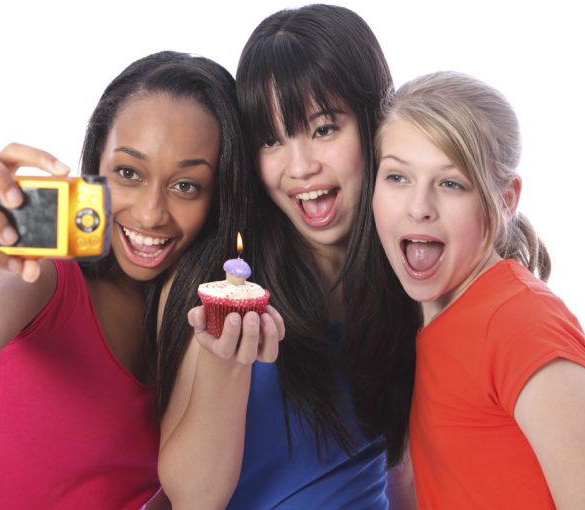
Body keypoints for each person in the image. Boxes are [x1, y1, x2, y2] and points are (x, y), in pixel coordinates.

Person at [0, 50, 268, 509]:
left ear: (218, 195)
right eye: (128, 173)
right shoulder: (45, 275)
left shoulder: (185, 310)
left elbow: (194, 498)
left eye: (186, 185)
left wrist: (228, 358)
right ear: (96, 163)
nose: (150, 213)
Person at [158, 5, 420, 509]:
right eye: (271, 140)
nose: (299, 166)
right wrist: (225, 365)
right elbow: (193, 498)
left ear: (372, 123)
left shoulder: (407, 278)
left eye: (323, 128)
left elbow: (403, 473)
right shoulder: (221, 283)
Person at [372, 70, 585, 509]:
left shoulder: (522, 324)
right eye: (398, 177)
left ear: (506, 200)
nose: (419, 208)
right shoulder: (422, 324)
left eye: (450, 183)